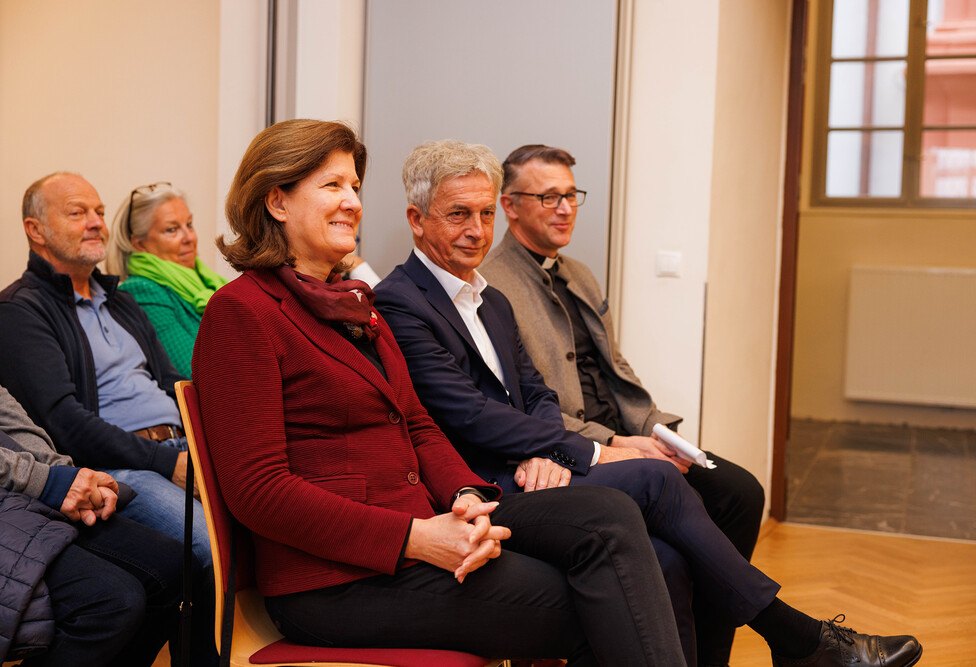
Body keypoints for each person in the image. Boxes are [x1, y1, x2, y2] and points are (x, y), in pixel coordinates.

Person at [373, 139, 922, 667]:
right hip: (479, 485)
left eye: (485, 214)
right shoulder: (399, 302)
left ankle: (793, 643)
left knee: (674, 555)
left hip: (535, 464)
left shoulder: (488, 298)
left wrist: (554, 452)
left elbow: (536, 391)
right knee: (657, 479)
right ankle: (797, 638)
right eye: (458, 215)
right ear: (416, 219)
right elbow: (468, 414)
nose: (477, 230)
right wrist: (588, 451)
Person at [191, 118, 687, 666]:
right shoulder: (242, 312)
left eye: (355, 185)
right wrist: (415, 537)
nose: (353, 201)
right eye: (332, 185)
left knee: (609, 514)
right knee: (607, 600)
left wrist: (466, 497)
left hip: (423, 529)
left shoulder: (355, 305)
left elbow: (417, 424)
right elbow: (259, 491)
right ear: (276, 201)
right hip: (334, 582)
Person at [479, 143, 762, 666]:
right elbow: (529, 406)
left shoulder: (579, 273)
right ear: (509, 206)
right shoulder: (494, 285)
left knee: (739, 492)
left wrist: (656, 430)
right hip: (578, 444)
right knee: (682, 525)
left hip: (627, 431)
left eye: (571, 195)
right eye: (548, 197)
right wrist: (615, 443)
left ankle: (709, 656)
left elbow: (616, 368)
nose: (565, 208)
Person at [0, 172, 211, 569]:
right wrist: (169, 464)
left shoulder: (121, 301)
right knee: (207, 546)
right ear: (36, 230)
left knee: (269, 518)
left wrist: (206, 446)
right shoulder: (19, 310)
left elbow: (173, 384)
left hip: (184, 447)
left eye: (99, 211)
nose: (97, 222)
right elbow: (64, 422)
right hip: (120, 467)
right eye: (77, 213)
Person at [0, 383, 217, 666]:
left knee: (180, 566)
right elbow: (65, 418)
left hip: (30, 479)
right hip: (24, 487)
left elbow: (9, 418)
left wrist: (62, 473)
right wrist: (43, 480)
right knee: (116, 601)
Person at [106, 183, 227, 378]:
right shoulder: (142, 290)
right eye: (172, 229)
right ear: (139, 243)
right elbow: (195, 372)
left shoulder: (210, 282)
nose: (189, 237)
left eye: (189, 224)